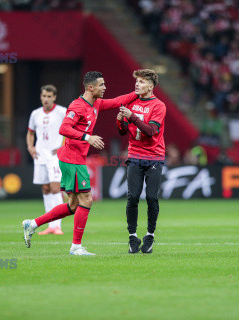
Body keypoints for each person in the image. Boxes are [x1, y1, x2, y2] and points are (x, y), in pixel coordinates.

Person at [22, 71, 137, 255]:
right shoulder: (77, 106)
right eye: (101, 85)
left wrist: (138, 93)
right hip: (72, 159)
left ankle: (32, 224)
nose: (105, 87)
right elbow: (64, 128)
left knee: (74, 205)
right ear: (90, 87)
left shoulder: (96, 103)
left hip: (73, 158)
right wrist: (87, 137)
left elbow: (117, 101)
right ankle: (76, 247)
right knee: (87, 200)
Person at [117, 69, 166, 254]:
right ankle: (132, 237)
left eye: (141, 82)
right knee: (133, 197)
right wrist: (120, 121)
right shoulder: (130, 102)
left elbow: (151, 131)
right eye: (136, 81)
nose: (137, 84)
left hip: (154, 156)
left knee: (152, 197)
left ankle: (150, 235)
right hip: (135, 155)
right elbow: (123, 131)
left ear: (151, 86)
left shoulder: (159, 106)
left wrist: (132, 116)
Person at [26, 84, 66, 235]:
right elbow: (30, 133)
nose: (46, 99)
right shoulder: (35, 114)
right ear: (41, 97)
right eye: (44, 96)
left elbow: (71, 131)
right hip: (40, 155)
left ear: (54, 97)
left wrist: (63, 147)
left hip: (55, 156)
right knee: (46, 189)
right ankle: (51, 225)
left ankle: (58, 226)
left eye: (49, 96)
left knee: (56, 188)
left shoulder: (62, 112)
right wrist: (30, 147)